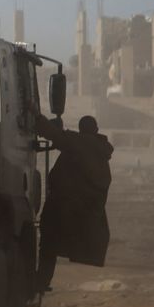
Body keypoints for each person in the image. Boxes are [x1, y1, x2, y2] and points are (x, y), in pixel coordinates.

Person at [34, 114, 114, 292]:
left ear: (81, 129)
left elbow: (52, 134)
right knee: (51, 245)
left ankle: (40, 282)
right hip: (79, 210)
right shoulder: (99, 150)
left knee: (48, 244)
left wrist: (34, 115)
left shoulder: (80, 144)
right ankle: (42, 282)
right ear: (96, 130)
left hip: (63, 206)